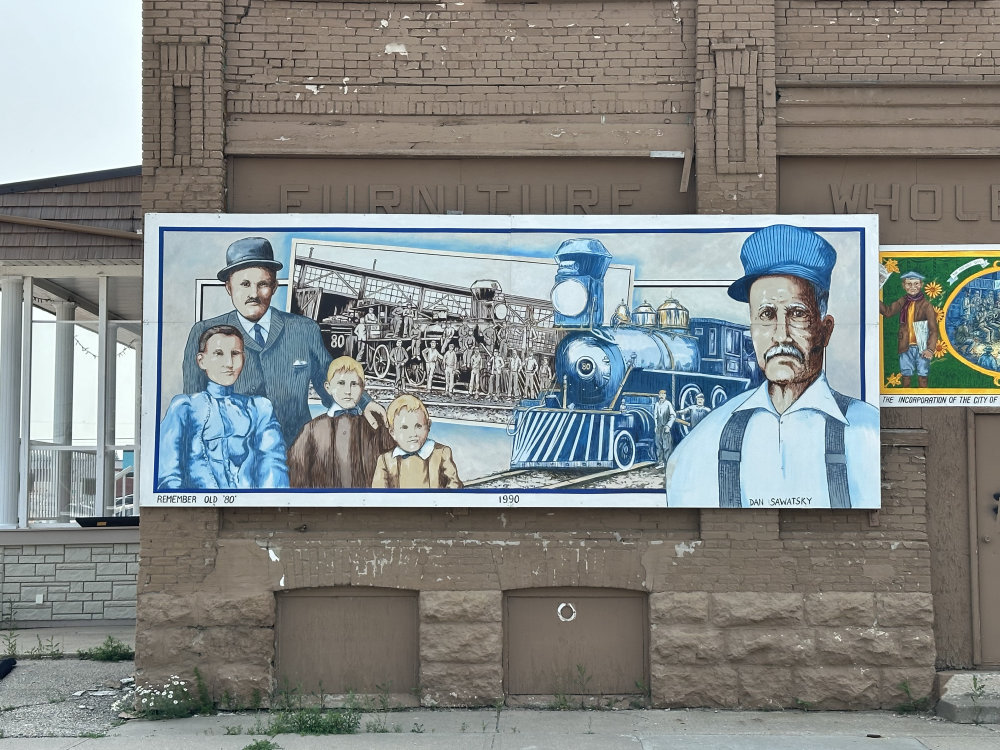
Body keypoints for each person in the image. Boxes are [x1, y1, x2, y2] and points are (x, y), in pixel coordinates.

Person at [665, 224, 880, 509]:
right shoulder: (702, 445)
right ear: (752, 329)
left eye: (798, 314)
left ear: (825, 330)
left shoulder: (868, 436)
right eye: (766, 314)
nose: (781, 334)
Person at [181, 237, 384, 449]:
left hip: (297, 456)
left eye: (263, 284)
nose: (253, 294)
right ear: (229, 287)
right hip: (232, 463)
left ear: (275, 286)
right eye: (244, 284)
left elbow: (331, 379)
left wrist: (365, 403)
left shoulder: (304, 330)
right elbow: (193, 408)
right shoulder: (203, 333)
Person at [158, 325, 288, 490]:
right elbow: (168, 475)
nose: (229, 363)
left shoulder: (260, 408)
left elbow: (273, 464)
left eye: (235, 354)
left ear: (244, 358)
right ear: (201, 360)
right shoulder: (184, 408)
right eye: (218, 354)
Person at [286, 356, 395, 488]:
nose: (348, 391)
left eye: (354, 384)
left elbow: (392, 465)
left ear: (363, 387)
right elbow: (297, 471)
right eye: (341, 383)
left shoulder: (375, 425)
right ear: (328, 387)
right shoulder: (311, 429)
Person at [371, 395, 463, 489]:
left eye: (418, 426)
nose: (412, 434)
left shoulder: (441, 453)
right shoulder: (385, 460)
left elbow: (454, 485)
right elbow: (378, 494)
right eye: (404, 427)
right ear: (392, 433)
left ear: (428, 426)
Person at [880, 270, 938, 388]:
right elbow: (888, 312)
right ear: (904, 286)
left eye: (916, 284)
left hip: (922, 347)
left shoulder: (926, 305)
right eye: (909, 284)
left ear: (921, 285)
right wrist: (873, 299)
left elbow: (933, 330)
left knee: (923, 374)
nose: (913, 287)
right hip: (905, 345)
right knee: (906, 374)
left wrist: (930, 349)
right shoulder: (903, 301)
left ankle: (923, 398)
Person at [653, 390, 677, 468]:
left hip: (665, 427)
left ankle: (668, 463)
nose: (662, 396)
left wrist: (668, 426)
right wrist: (656, 426)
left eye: (663, 394)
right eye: (660, 394)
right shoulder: (656, 404)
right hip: (659, 427)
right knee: (658, 445)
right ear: (658, 395)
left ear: (665, 395)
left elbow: (673, 415)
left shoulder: (668, 404)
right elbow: (655, 416)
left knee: (666, 446)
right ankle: (661, 463)